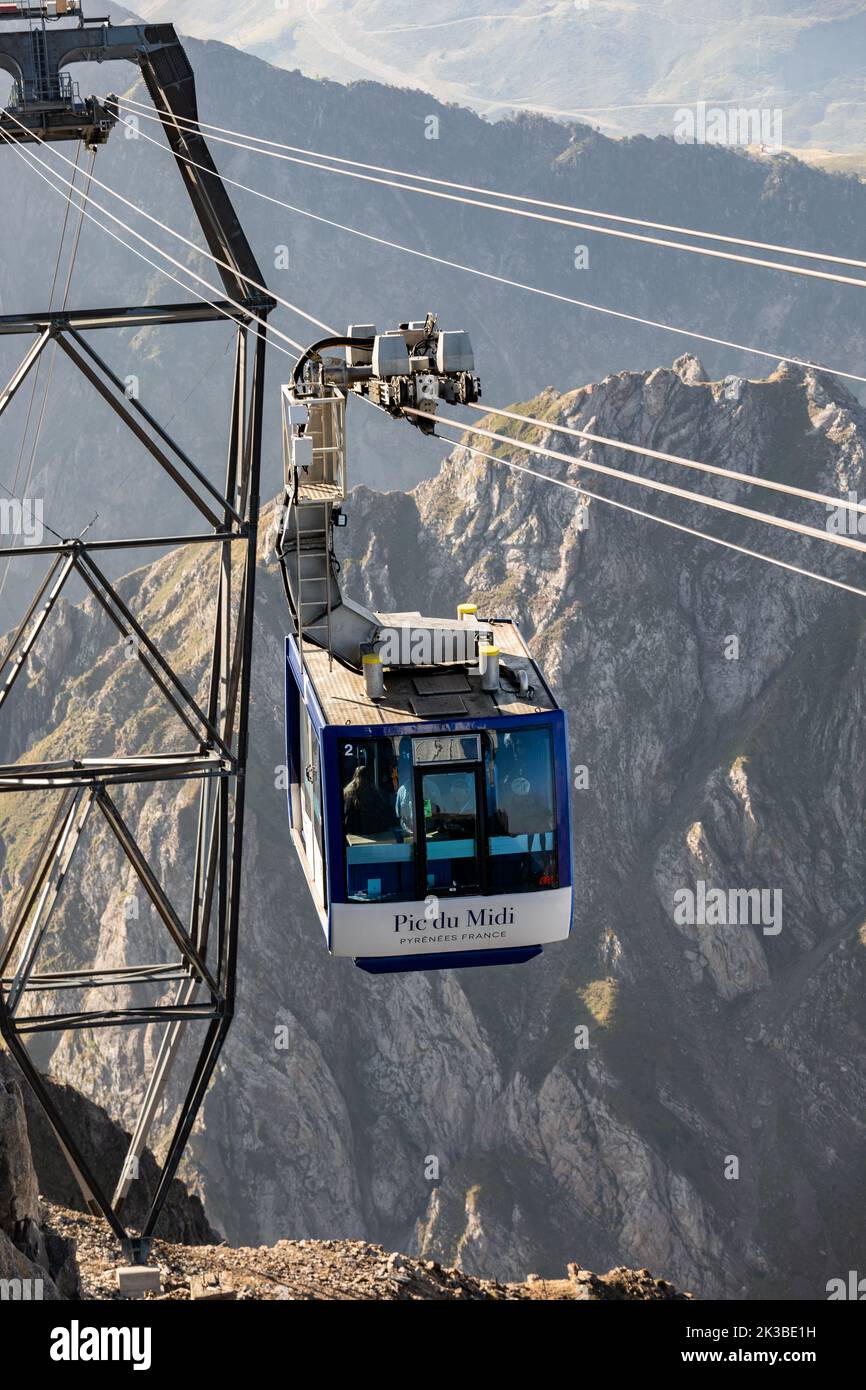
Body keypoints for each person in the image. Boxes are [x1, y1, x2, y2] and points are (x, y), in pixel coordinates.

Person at [343, 762, 395, 836]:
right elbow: (382, 811)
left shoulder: (348, 791)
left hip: (353, 830)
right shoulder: (371, 790)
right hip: (370, 830)